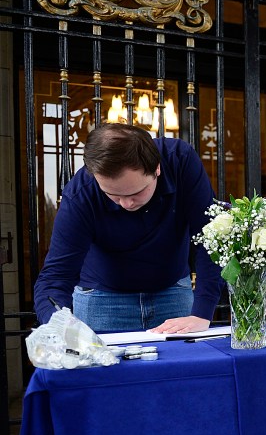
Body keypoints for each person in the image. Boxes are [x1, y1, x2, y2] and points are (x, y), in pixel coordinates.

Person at [33, 123, 223, 333]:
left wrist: (202, 313)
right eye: (114, 195)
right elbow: (57, 276)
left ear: (157, 168)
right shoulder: (81, 194)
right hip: (100, 299)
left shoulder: (180, 160)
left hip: (173, 291)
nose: (126, 204)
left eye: (136, 193)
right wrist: (57, 327)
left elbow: (210, 236)